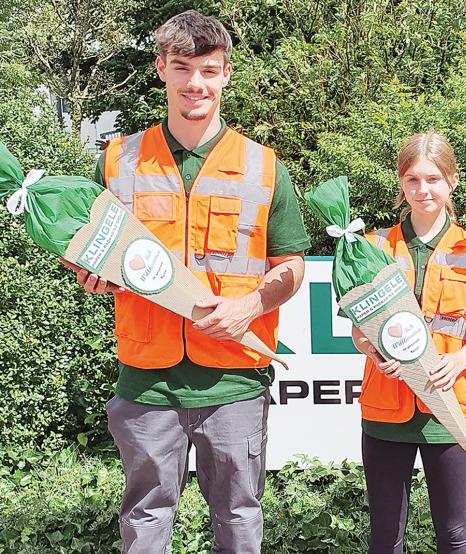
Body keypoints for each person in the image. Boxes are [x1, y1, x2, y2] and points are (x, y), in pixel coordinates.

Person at [63, 10, 310, 553]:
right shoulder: (118, 161)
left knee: (239, 522)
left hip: (234, 379)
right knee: (145, 522)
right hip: (147, 381)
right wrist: (90, 272)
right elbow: (86, 250)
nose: (195, 83)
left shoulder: (264, 166)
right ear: (161, 69)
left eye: (208, 70)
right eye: (181, 67)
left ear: (226, 74)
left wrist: (251, 305)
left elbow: (292, 264)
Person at [348, 131, 466, 554]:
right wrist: (373, 352)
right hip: (386, 410)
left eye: (433, 178)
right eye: (413, 180)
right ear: (401, 184)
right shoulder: (372, 247)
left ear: (452, 181)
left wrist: (460, 360)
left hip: (450, 408)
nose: (423, 189)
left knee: (455, 533)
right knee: (385, 535)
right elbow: (358, 330)